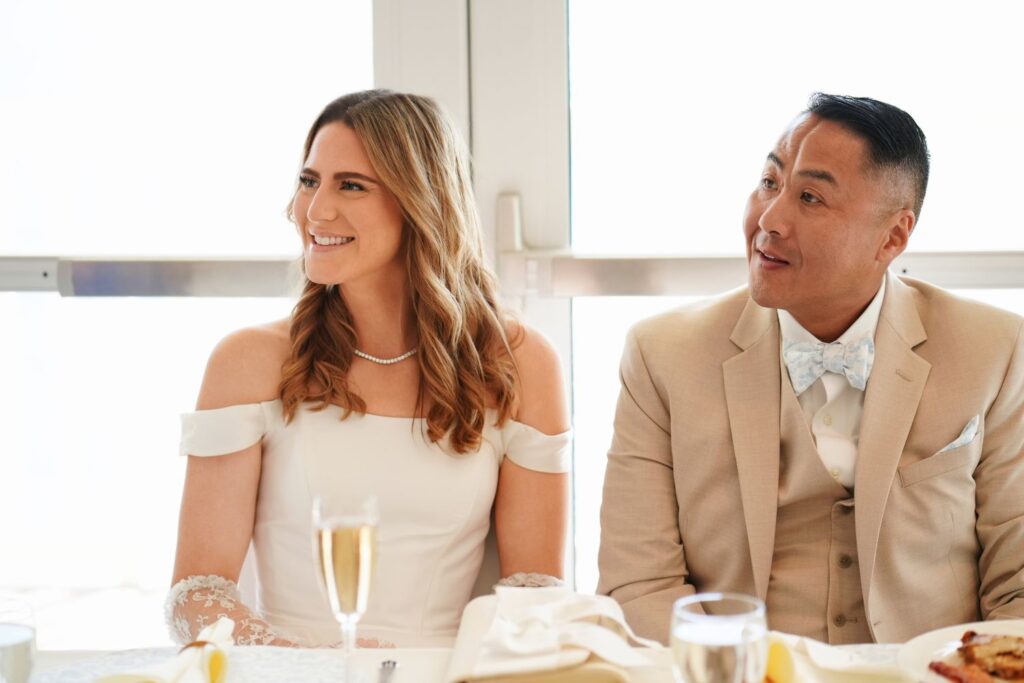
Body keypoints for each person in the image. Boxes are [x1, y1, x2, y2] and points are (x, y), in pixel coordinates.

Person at [598, 93, 1024, 644]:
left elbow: (1018, 582)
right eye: (770, 183)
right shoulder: (661, 355)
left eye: (810, 197)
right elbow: (640, 583)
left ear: (893, 236)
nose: (769, 220)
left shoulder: (995, 349)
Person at [167, 90, 570, 648]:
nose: (315, 210)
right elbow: (198, 592)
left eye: (350, 185)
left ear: (421, 201)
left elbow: (533, 590)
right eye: (310, 181)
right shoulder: (249, 362)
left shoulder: (520, 363)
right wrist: (310, 668)